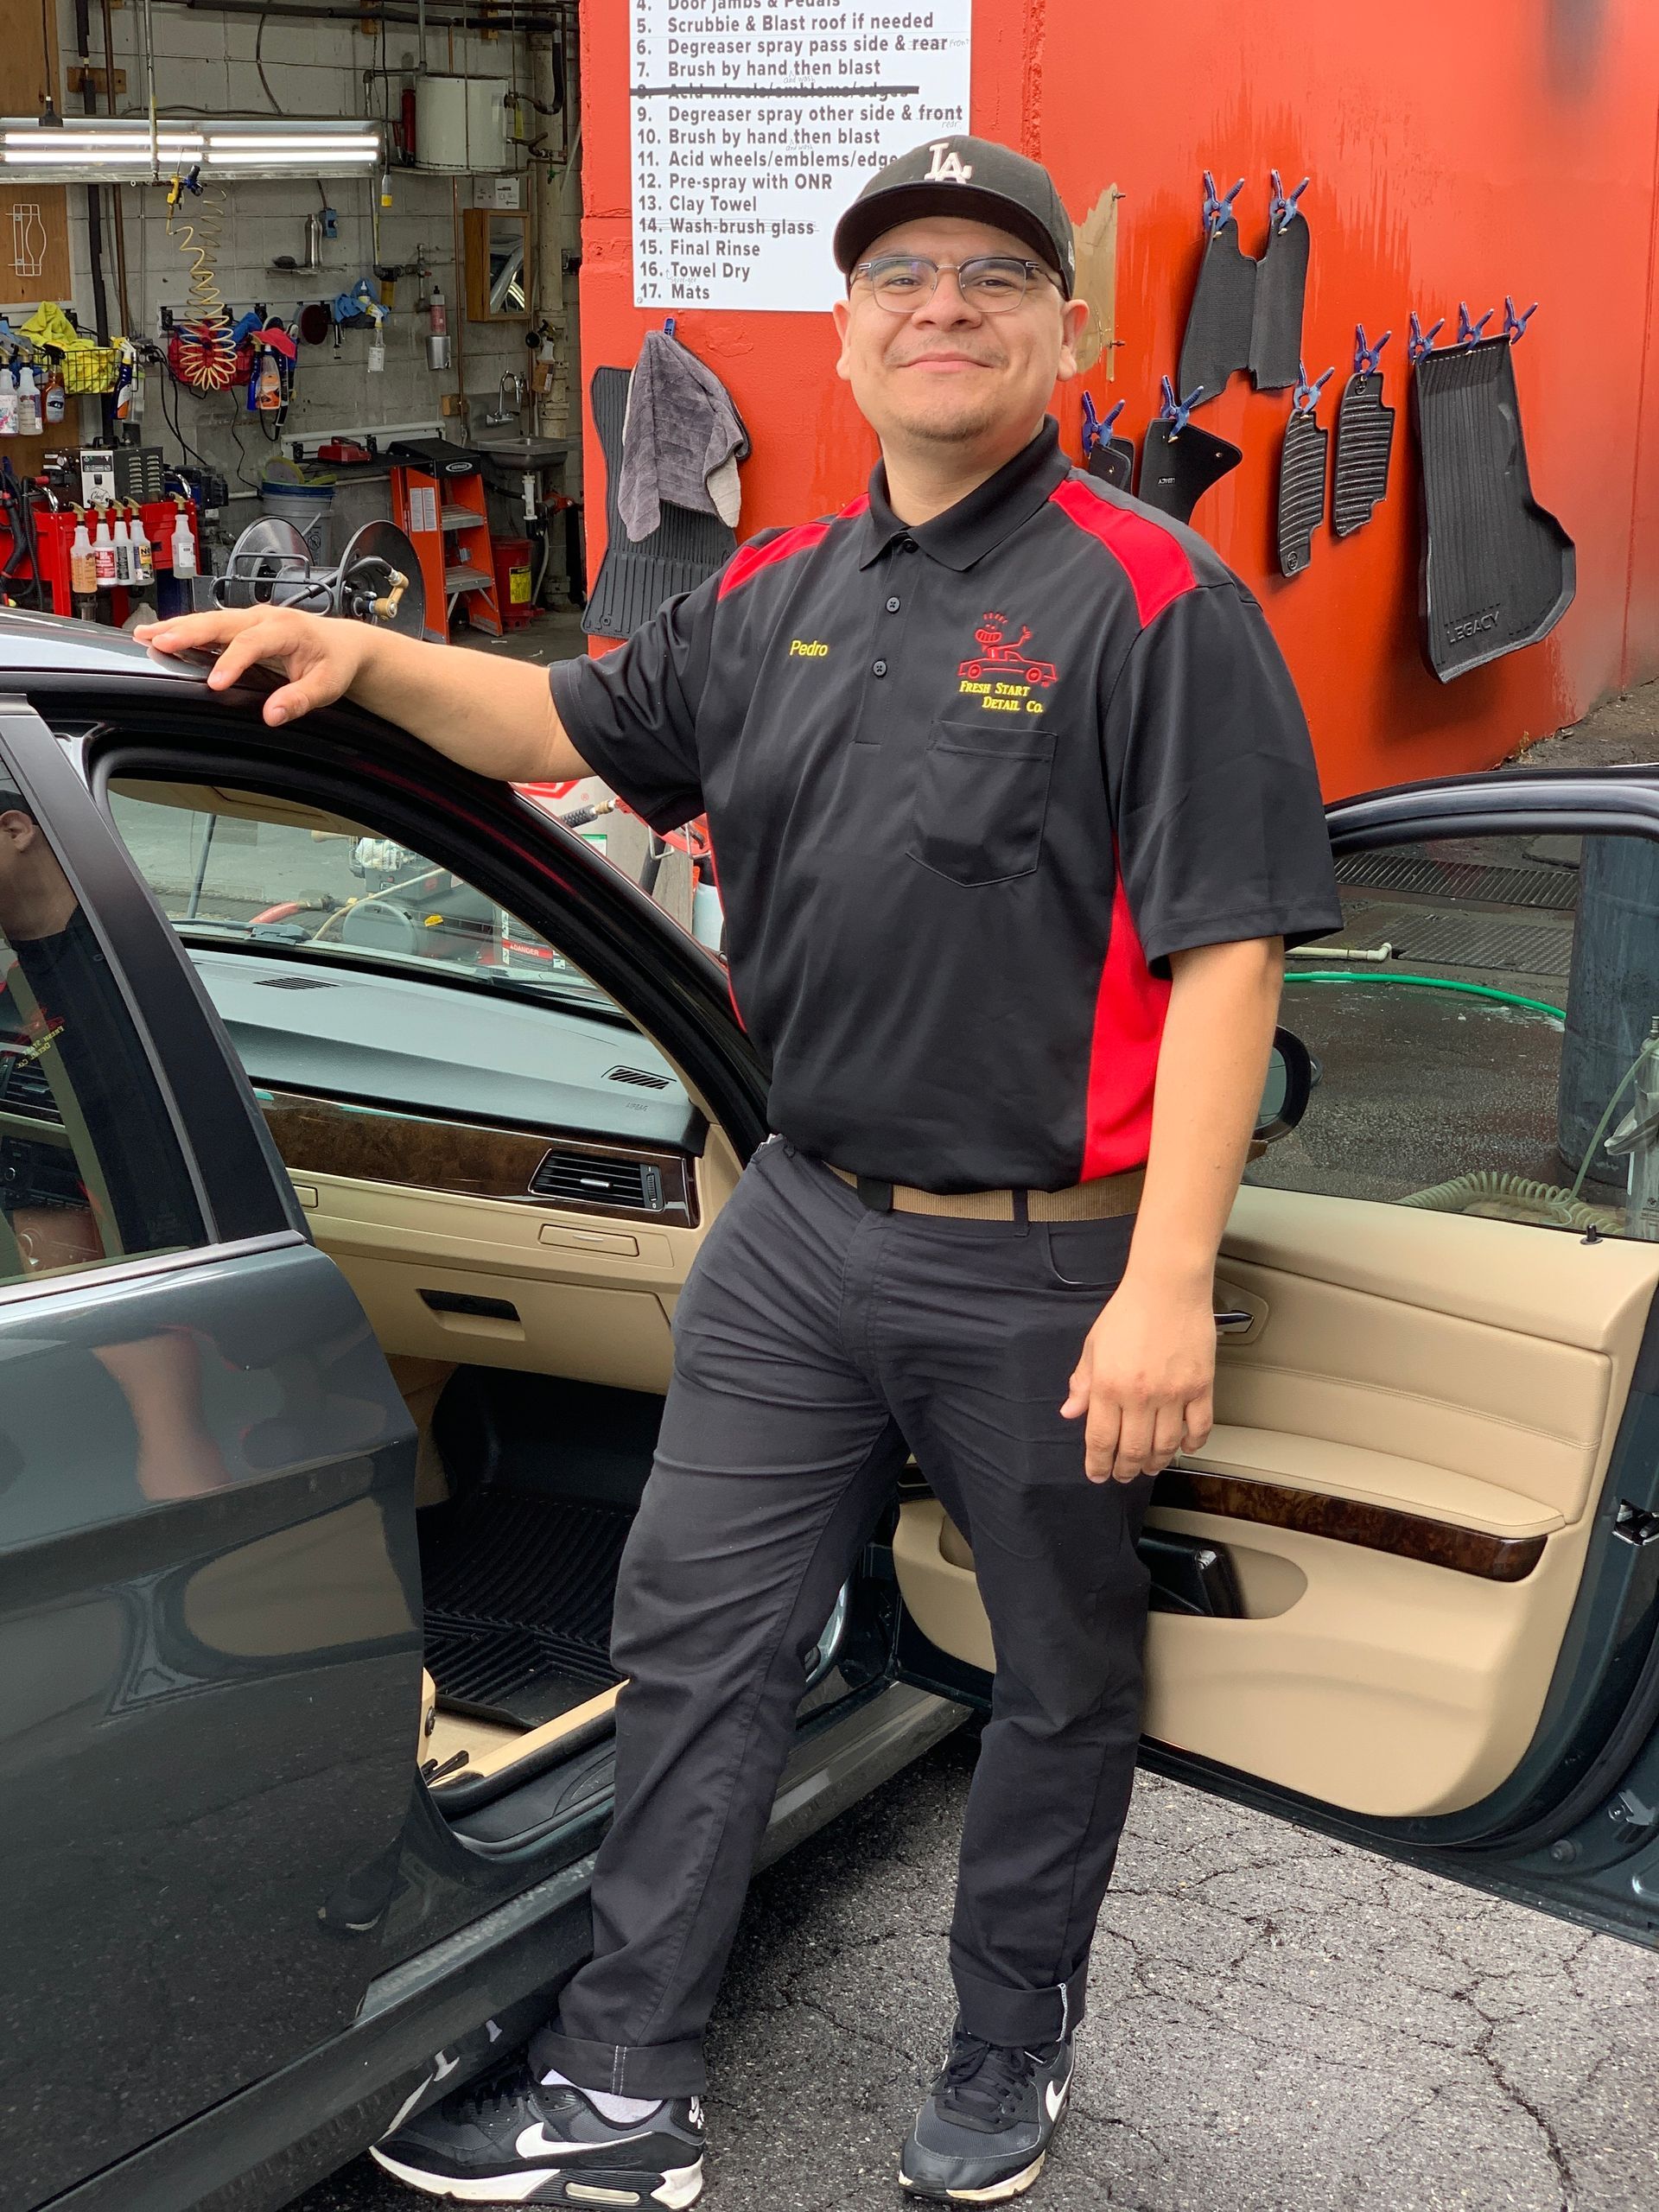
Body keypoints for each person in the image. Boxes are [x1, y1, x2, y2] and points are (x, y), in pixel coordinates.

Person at [137, 134, 1343, 2209]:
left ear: (1067, 326)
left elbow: (1229, 949)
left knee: (1056, 1673)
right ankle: (626, 2094)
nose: (941, 309)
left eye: (989, 276)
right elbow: (555, 715)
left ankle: (1009, 2026)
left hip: (1047, 1263)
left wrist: (1165, 1280)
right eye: (901, 279)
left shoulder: (1160, 601)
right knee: (694, 1636)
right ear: (847, 336)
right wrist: (351, 660)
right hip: (799, 1224)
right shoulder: (774, 594)